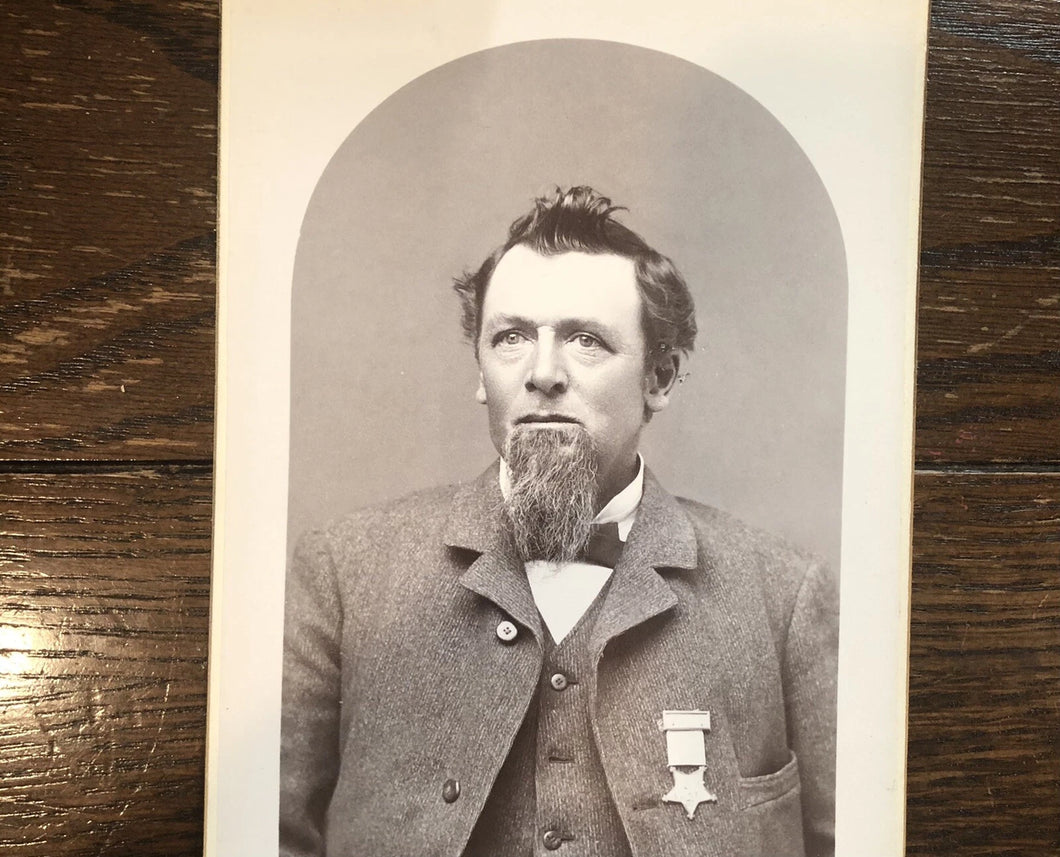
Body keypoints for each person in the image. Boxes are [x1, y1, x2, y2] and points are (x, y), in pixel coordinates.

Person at [281, 186, 838, 857]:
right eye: (512, 337)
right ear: (482, 371)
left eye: (585, 339)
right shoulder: (343, 574)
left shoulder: (782, 596)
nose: (543, 372)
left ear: (660, 376)